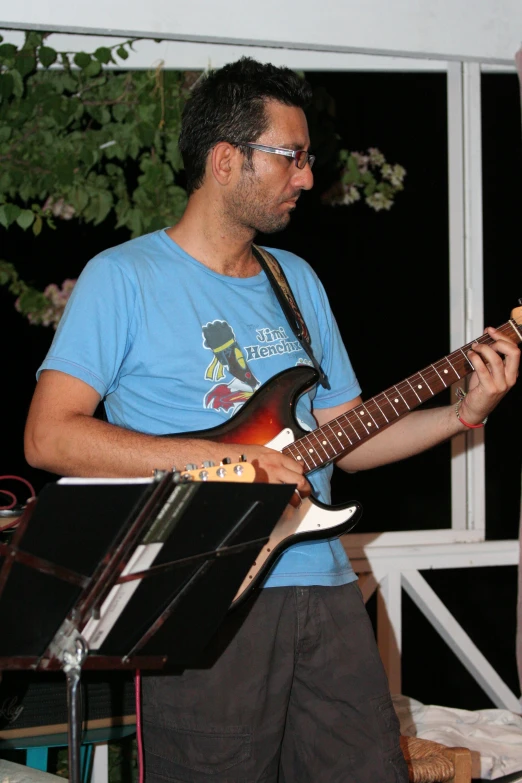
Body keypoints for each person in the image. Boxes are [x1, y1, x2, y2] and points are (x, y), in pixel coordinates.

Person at [24, 57, 520, 782]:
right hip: (205, 592)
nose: (309, 177)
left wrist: (463, 414)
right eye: (291, 156)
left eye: (308, 157)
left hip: (322, 582)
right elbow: (50, 434)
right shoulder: (123, 277)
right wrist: (224, 462)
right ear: (225, 161)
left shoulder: (296, 280)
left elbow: (347, 436)